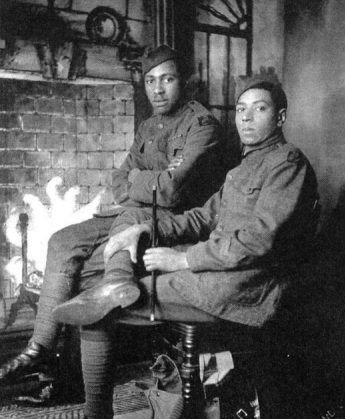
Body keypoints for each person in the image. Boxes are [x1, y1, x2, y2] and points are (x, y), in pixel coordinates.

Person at [52, 77, 320, 418]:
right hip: (219, 277)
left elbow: (257, 240)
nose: (246, 118)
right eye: (241, 110)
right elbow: (200, 218)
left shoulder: (287, 163)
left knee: (100, 308)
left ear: (280, 117)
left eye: (260, 109)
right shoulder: (245, 167)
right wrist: (145, 228)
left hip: (246, 289)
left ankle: (95, 414)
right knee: (102, 293)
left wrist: (181, 259)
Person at [0, 45, 226, 389]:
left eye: (167, 79)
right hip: (133, 214)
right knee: (62, 240)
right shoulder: (149, 126)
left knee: (88, 267)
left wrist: (140, 181)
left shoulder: (202, 125)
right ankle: (40, 345)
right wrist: (144, 181)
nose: (158, 89)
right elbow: (119, 182)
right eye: (151, 81)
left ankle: (69, 378)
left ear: (185, 82)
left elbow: (170, 194)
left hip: (173, 226)